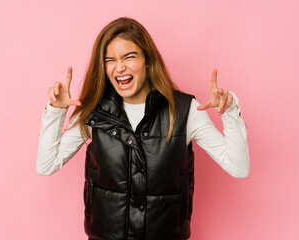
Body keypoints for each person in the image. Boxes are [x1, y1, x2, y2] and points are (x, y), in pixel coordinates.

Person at [37, 17, 249, 240]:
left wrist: (230, 110)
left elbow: (238, 167)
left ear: (147, 60)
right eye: (110, 60)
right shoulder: (93, 113)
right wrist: (56, 111)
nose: (120, 67)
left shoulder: (187, 110)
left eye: (129, 56)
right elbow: (46, 164)